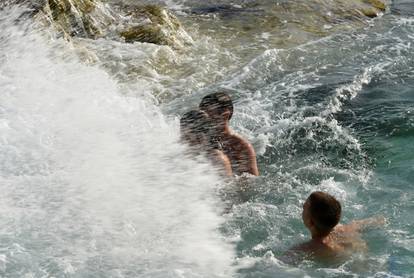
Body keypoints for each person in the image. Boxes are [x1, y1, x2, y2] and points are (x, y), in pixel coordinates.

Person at [285, 191, 385, 263]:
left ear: (310, 222)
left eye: (304, 207)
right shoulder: (348, 229)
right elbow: (380, 220)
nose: (302, 206)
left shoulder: (305, 249)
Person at [199, 92, 259, 176]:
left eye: (208, 114)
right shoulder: (198, 138)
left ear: (225, 115)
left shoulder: (241, 146)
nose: (203, 119)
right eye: (202, 114)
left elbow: (250, 182)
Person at [180, 109, 233, 176]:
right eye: (182, 135)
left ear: (201, 136)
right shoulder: (194, 153)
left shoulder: (217, 159)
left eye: (186, 136)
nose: (182, 139)